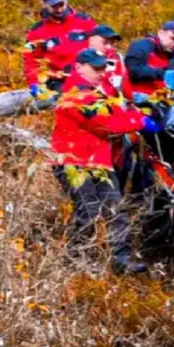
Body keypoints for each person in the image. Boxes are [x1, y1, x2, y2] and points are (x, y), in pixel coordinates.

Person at [51, 49, 162, 275]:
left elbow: (116, 116)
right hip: (74, 162)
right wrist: (139, 121)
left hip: (99, 163)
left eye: (103, 68)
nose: (101, 73)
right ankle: (76, 260)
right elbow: (107, 125)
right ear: (79, 67)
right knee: (88, 212)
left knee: (115, 209)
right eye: (96, 68)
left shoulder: (97, 94)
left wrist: (138, 117)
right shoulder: (75, 95)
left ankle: (120, 260)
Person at [24, 0, 97, 95]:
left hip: (89, 77)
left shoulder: (84, 20)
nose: (58, 9)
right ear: (45, 5)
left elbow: (101, 44)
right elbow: (31, 59)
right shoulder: (36, 32)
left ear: (66, 2)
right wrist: (33, 83)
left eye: (61, 5)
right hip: (60, 83)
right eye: (54, 6)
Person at [121, 21, 174, 101]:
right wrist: (162, 74)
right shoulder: (142, 45)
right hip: (136, 98)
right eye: (173, 38)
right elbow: (134, 71)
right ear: (161, 33)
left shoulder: (173, 54)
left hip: (160, 99)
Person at [87, 25, 125, 97]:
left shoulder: (117, 57)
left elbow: (122, 81)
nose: (109, 46)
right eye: (105, 42)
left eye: (112, 43)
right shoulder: (84, 59)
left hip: (115, 101)